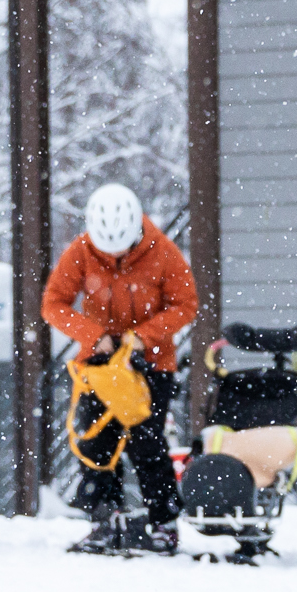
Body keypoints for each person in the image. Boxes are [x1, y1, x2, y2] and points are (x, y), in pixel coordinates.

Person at [42, 181, 195, 557]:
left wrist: (143, 337)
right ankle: (102, 520)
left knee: (147, 441)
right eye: (104, 251)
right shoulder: (79, 252)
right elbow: (54, 304)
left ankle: (164, 523)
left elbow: (185, 305)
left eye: (122, 249)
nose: (113, 256)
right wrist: (95, 336)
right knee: (96, 441)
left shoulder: (163, 252)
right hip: (98, 366)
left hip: (151, 364)